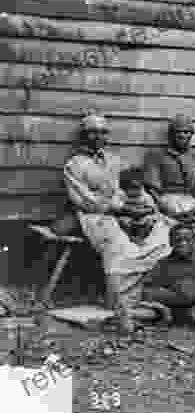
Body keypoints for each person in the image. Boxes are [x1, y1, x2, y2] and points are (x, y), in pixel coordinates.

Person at [63, 112, 172, 330]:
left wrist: (145, 208)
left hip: (128, 210)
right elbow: (83, 199)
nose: (97, 137)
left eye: (102, 132)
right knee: (117, 244)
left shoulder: (116, 161)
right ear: (83, 136)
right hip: (96, 215)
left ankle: (149, 296)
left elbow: (133, 186)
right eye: (92, 132)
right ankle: (121, 301)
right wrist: (120, 208)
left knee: (162, 231)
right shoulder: (74, 165)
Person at [143, 114, 195, 245]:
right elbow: (152, 191)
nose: (182, 135)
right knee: (161, 234)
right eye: (178, 132)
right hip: (166, 202)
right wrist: (170, 212)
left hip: (192, 204)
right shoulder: (157, 157)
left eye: (186, 132)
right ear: (171, 135)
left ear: (191, 135)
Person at [118, 167, 160, 245]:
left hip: (143, 217)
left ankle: (140, 237)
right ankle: (131, 236)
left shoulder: (145, 196)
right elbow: (119, 206)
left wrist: (144, 211)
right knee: (123, 222)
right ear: (124, 188)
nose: (134, 192)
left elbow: (152, 208)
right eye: (130, 188)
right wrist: (127, 210)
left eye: (137, 188)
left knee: (149, 223)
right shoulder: (122, 196)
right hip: (129, 217)